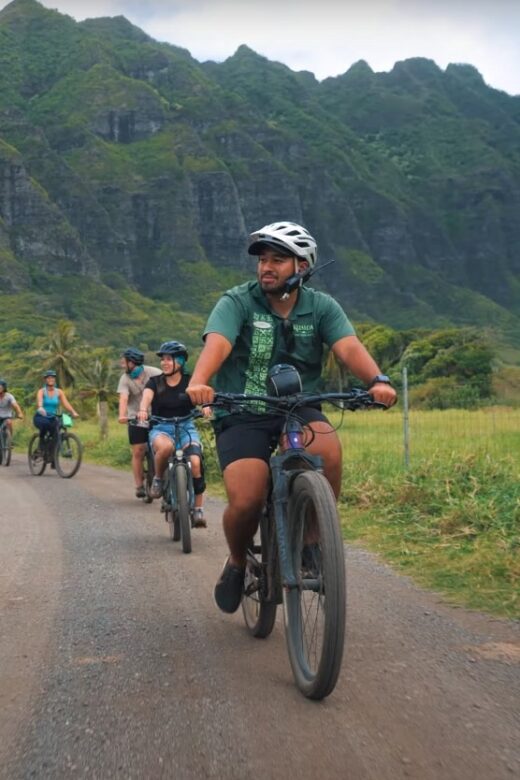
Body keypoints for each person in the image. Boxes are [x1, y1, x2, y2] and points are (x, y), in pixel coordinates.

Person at [187, 220, 397, 613]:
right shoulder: (236, 302)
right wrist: (200, 382)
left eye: (278, 260)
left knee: (329, 452)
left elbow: (349, 347)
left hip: (298, 406)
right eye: (263, 259)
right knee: (247, 498)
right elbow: (218, 343)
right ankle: (237, 561)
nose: (266, 267)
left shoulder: (321, 307)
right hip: (243, 409)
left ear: (302, 267)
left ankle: (312, 541)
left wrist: (377, 380)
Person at [137, 341, 207, 527]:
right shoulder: (155, 382)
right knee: (166, 447)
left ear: (181, 361)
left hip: (186, 427)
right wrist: (143, 410)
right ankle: (158, 479)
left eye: (169, 359)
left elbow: (202, 398)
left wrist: (206, 407)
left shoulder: (190, 382)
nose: (164, 363)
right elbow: (146, 399)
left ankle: (198, 510)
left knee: (196, 463)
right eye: (163, 360)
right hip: (161, 427)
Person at [117, 348, 161, 498]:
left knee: (162, 447)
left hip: (156, 415)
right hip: (135, 417)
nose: (122, 365)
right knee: (138, 451)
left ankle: (163, 478)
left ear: (132, 362)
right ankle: (139, 485)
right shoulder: (125, 379)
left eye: (124, 362)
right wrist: (122, 415)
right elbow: (123, 398)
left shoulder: (154, 372)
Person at [34, 370, 79, 452]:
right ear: (45, 380)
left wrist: (73, 412)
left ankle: (53, 457)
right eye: (48, 378)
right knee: (45, 424)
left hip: (53, 417)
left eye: (52, 378)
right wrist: (40, 407)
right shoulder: (41, 391)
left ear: (55, 380)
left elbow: (66, 404)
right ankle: (41, 445)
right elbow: (39, 400)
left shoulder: (59, 392)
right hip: (41, 416)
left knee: (57, 431)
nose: (51, 379)